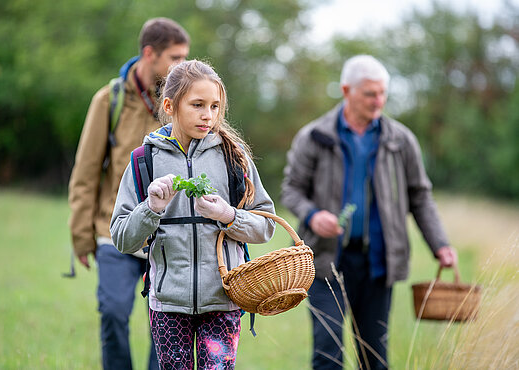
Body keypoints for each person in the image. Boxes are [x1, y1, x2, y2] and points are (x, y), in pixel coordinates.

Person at [281, 55, 458, 369]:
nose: (378, 101)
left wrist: (440, 245)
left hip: (378, 263)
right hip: (324, 262)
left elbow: (420, 197)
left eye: (382, 93)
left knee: (374, 357)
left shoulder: (401, 141)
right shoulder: (314, 136)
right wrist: (312, 215)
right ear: (346, 90)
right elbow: (291, 189)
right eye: (369, 94)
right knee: (327, 354)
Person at [110, 59, 275, 369]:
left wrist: (229, 215)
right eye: (197, 105)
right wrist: (151, 208)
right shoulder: (143, 161)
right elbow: (120, 238)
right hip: (168, 306)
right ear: (170, 106)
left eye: (215, 106)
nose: (208, 115)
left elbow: (266, 227)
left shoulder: (234, 158)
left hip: (224, 300)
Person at [68, 18, 190, 370]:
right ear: (149, 54)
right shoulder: (110, 100)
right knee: (113, 312)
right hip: (114, 230)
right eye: (175, 57)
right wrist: (81, 236)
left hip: (167, 236)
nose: (182, 66)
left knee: (165, 328)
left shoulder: (182, 102)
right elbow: (86, 173)